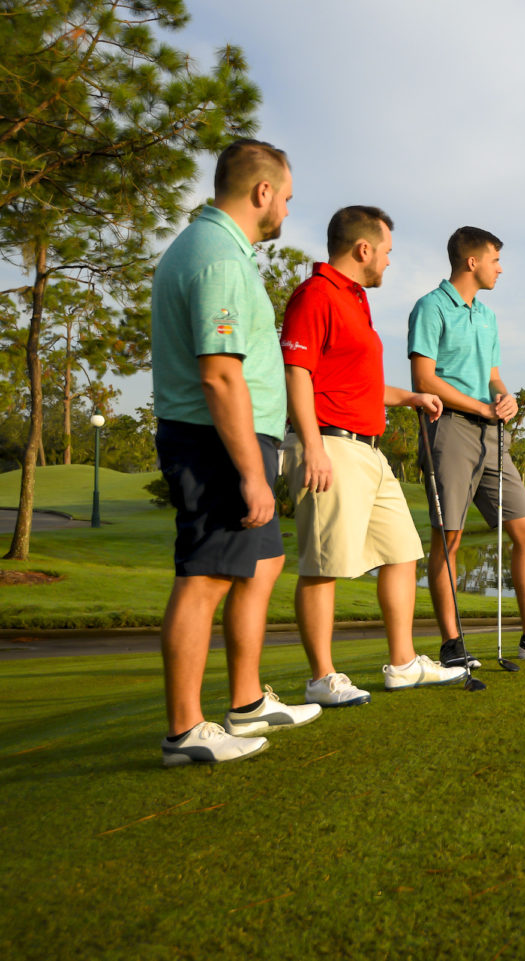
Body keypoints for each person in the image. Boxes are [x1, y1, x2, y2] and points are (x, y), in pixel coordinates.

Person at [150, 139, 321, 766]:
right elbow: (220, 375)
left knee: (263, 562)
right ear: (263, 193)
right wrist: (252, 471)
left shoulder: (225, 250)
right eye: (288, 199)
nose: (286, 211)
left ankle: (246, 702)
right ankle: (185, 732)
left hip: (238, 437)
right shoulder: (218, 256)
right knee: (206, 577)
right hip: (216, 439)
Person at [279, 206, 467, 706]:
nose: (388, 261)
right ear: (363, 249)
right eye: (386, 252)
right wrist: (312, 446)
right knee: (324, 564)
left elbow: (356, 383)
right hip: (331, 446)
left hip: (369, 449)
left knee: (402, 553)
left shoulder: (356, 301)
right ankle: (322, 677)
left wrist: (410, 398)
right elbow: (297, 372)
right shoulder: (315, 294)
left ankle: (403, 664)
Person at [408, 227, 525, 663]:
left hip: (493, 433)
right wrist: (482, 408)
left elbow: (492, 376)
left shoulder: (487, 316)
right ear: (472, 262)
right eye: (495, 260)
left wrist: (505, 398)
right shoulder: (431, 308)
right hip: (449, 429)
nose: (500, 268)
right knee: (448, 539)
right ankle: (453, 645)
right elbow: (424, 379)